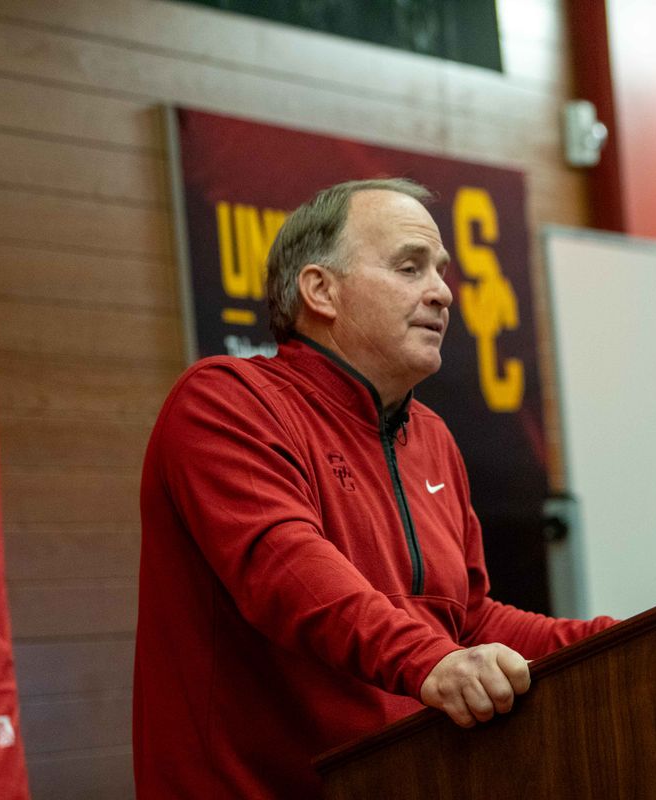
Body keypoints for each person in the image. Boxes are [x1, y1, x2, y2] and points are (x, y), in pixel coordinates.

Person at [133, 178, 615, 798]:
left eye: (441, 272)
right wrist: (432, 662)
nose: (442, 292)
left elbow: (468, 623)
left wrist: (624, 640)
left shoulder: (433, 438)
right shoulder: (224, 402)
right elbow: (291, 577)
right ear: (321, 290)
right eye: (410, 267)